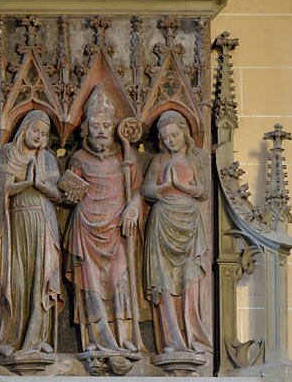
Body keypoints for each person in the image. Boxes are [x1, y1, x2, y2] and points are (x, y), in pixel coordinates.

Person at [62, 86, 147, 354]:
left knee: (120, 282)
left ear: (114, 129)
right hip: (86, 230)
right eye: (95, 125)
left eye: (106, 125)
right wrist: (67, 192)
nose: (100, 130)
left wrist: (133, 207)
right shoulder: (78, 158)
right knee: (92, 287)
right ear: (86, 129)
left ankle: (124, 338)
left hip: (117, 230)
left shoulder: (126, 160)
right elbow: (68, 197)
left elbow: (136, 191)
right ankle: (96, 340)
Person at [141, 110, 212, 355]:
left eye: (174, 134)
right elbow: (147, 190)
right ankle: (172, 341)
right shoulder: (159, 161)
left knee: (190, 280)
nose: (171, 140)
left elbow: (204, 191)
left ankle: (195, 338)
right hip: (162, 220)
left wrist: (180, 186)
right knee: (164, 282)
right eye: (165, 136)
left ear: (185, 133)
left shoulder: (197, 157)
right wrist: (164, 186)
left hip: (189, 221)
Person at [0, 110, 62, 357]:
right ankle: (12, 337)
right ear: (24, 129)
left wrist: (42, 185)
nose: (39, 136)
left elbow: (59, 196)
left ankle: (37, 337)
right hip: (18, 220)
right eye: (35, 131)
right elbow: (1, 189)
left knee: (41, 278)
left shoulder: (48, 160)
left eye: (43, 134)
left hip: (44, 220)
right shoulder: (9, 153)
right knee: (18, 280)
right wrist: (26, 182)